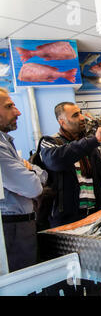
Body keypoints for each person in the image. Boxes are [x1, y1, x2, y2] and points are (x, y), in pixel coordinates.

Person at [40, 102, 101, 228]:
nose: (82, 118)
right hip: (66, 220)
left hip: (95, 214)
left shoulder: (88, 145)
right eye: (75, 115)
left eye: (81, 113)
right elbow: (55, 161)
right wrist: (93, 141)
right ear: (62, 122)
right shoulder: (50, 142)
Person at [0, 88, 48, 272]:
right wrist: (31, 172)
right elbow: (33, 186)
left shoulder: (5, 142)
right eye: (9, 106)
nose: (18, 111)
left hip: (21, 225)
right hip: (11, 229)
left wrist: (31, 170)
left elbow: (41, 173)